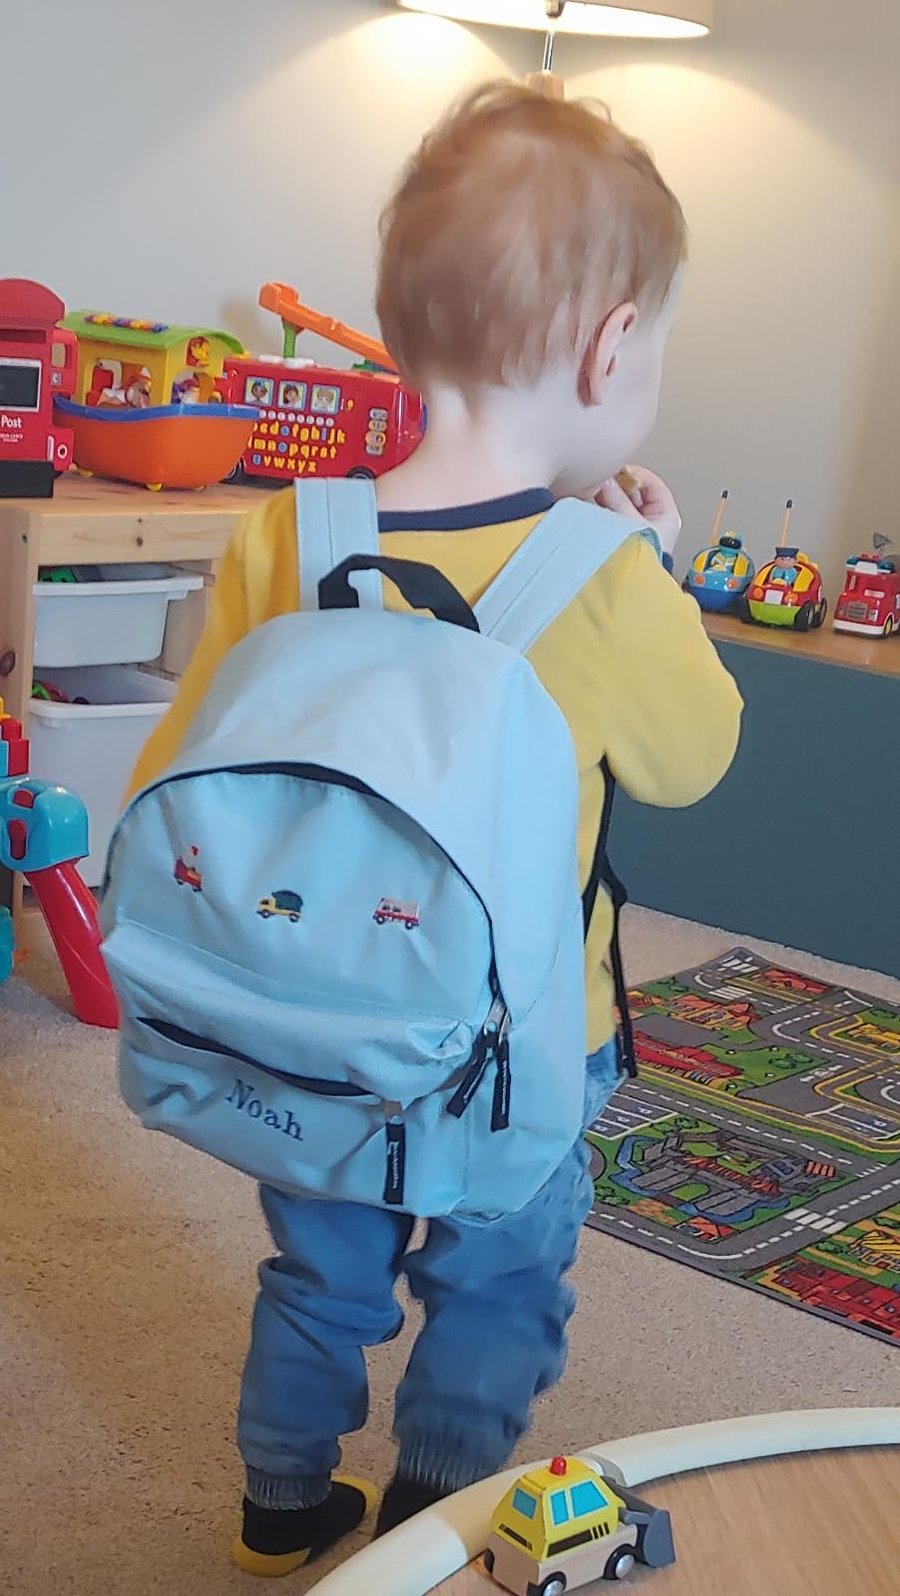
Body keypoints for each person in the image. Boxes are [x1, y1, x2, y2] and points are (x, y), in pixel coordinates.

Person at [127, 83, 742, 1573]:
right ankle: (441, 1503)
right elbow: (692, 756)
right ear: (612, 347)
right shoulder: (599, 572)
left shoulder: (290, 527)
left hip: (302, 1021)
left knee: (318, 1268)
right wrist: (645, 566)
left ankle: (284, 1496)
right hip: (516, 1050)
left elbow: (190, 746)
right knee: (501, 1279)